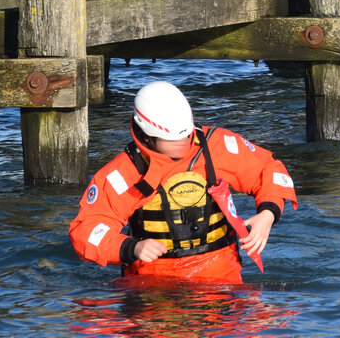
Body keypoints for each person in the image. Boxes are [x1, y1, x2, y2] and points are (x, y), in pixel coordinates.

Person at [69, 81, 298, 283]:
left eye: (185, 135)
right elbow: (86, 230)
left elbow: (268, 169)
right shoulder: (122, 174)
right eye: (172, 140)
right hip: (153, 284)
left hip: (221, 276)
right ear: (146, 136)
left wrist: (268, 215)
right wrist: (132, 247)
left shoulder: (217, 146)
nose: (182, 144)